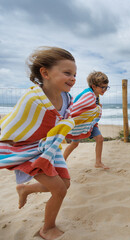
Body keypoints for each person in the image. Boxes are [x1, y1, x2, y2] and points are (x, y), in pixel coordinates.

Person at [0, 47, 77, 240]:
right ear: (45, 73)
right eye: (67, 73)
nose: (73, 78)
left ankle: (25, 188)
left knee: (65, 184)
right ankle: (47, 229)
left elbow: (61, 121)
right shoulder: (33, 99)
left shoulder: (67, 98)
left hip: (47, 146)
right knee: (59, 190)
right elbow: (16, 125)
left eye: (75, 74)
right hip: (24, 148)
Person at [63, 71, 110, 169]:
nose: (105, 90)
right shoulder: (88, 95)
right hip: (80, 123)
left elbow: (92, 109)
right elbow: (75, 108)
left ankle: (98, 163)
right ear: (94, 86)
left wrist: (97, 108)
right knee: (74, 144)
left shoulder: (96, 96)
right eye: (103, 87)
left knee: (99, 139)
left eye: (106, 87)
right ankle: (61, 163)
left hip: (90, 123)